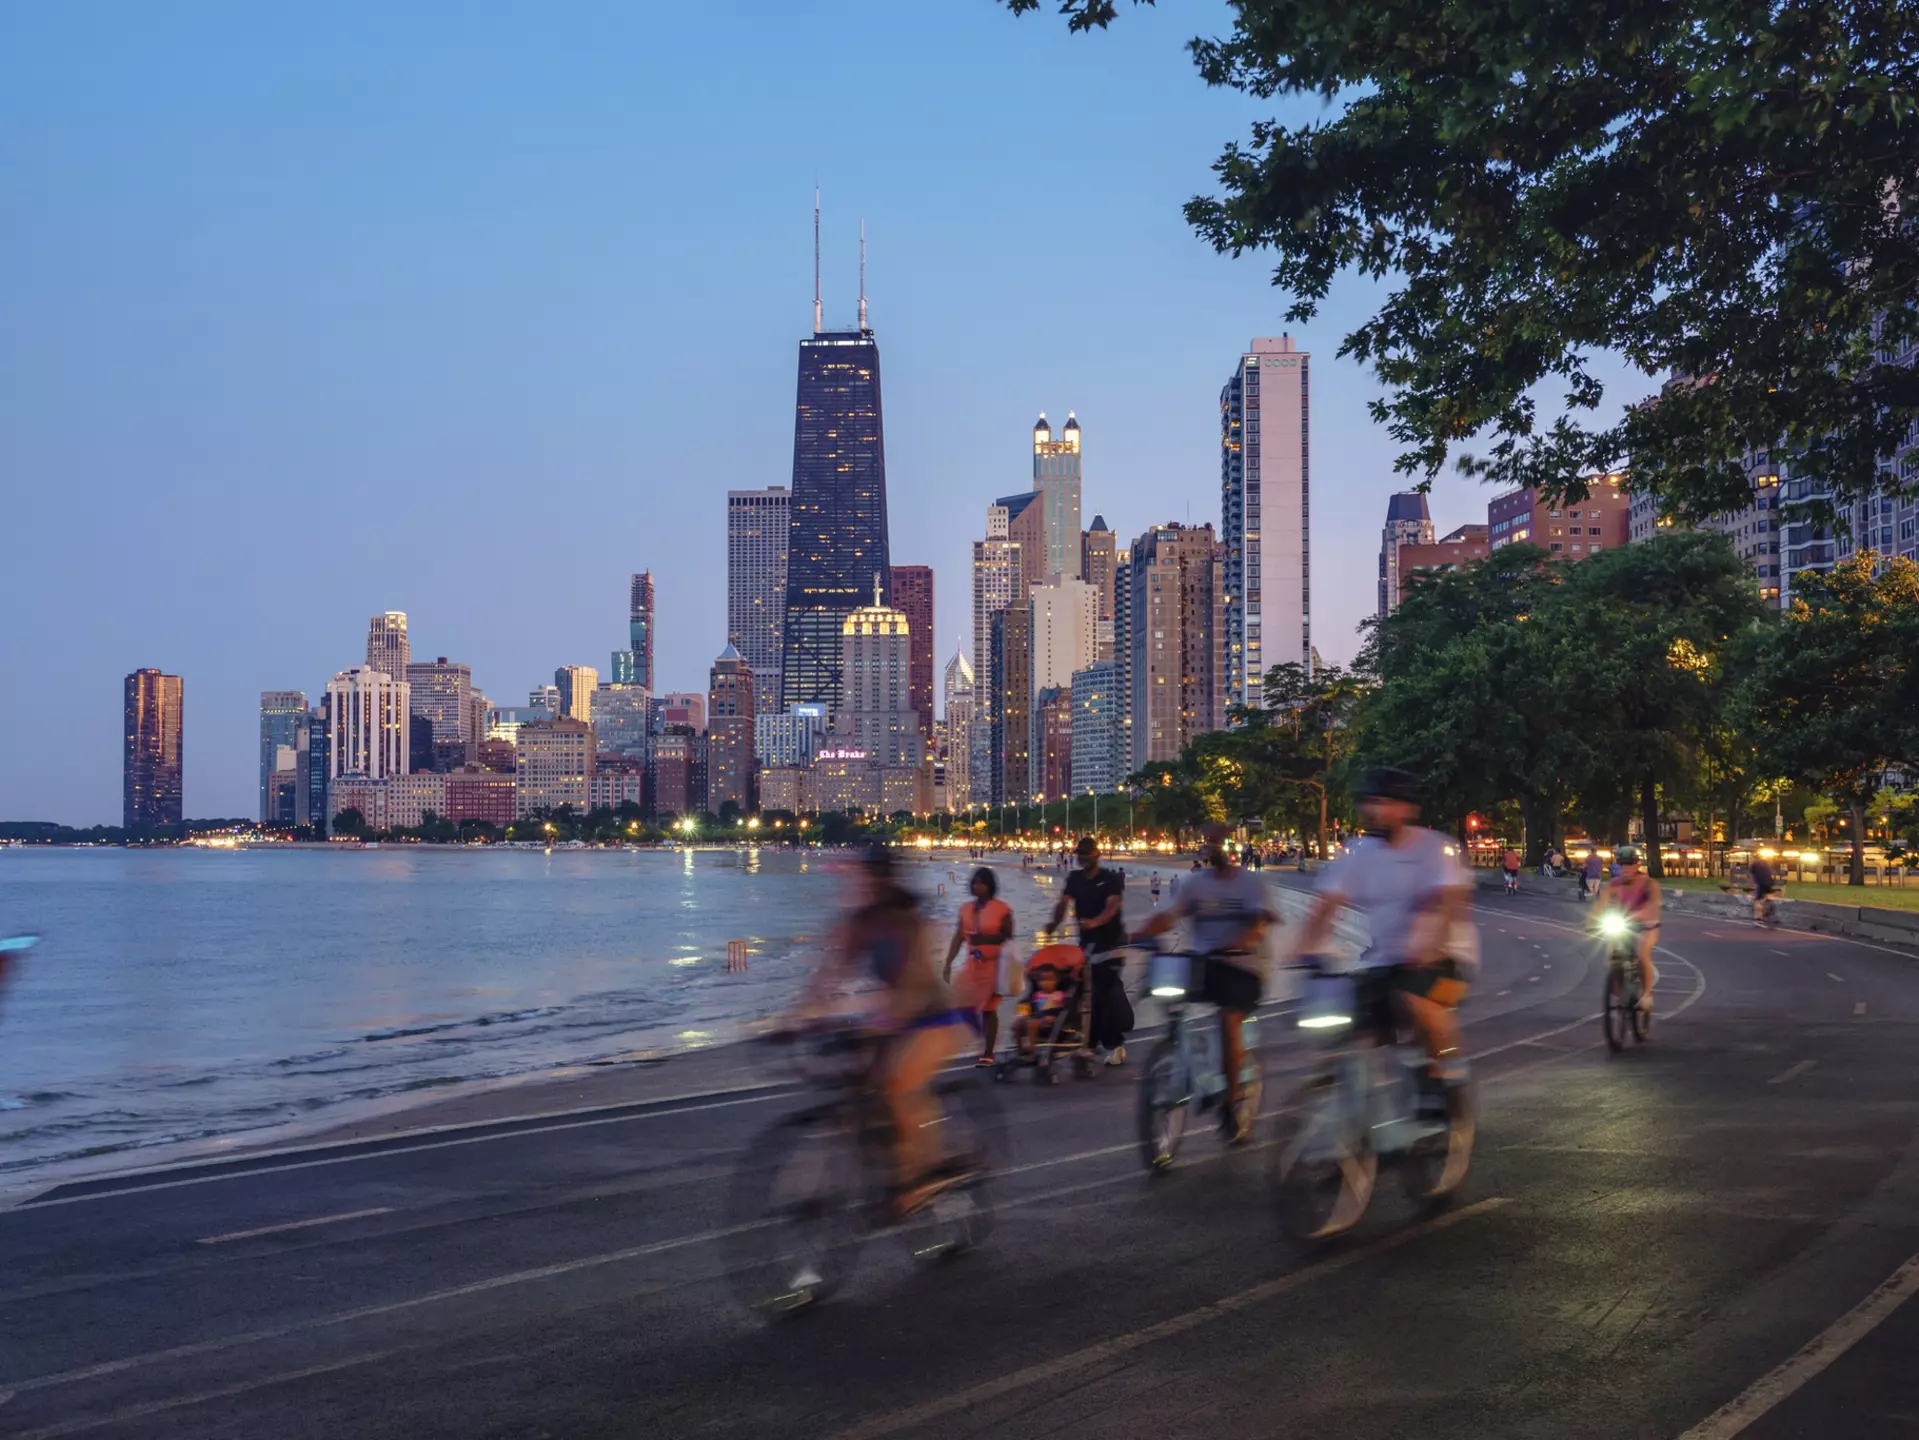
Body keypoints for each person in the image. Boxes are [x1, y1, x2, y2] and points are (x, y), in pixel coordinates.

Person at [788, 846, 972, 1220]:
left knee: (898, 1086)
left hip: (933, 1018)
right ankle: (895, 1162)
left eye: (870, 879)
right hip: (891, 1016)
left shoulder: (910, 923)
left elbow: (915, 984)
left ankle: (921, 1176)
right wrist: (796, 1020)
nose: (863, 886)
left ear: (885, 880)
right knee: (863, 1090)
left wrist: (880, 1022)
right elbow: (826, 978)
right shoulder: (859, 924)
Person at [1291, 768, 1477, 1094]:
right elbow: (1326, 904)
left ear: (1408, 808)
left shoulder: (1435, 849)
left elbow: (1448, 904)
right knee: (1347, 1025)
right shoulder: (1357, 852)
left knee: (1417, 1001)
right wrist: (1304, 945)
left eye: (1387, 802)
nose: (1377, 810)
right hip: (1384, 961)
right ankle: (1353, 1113)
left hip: (1446, 957)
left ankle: (1449, 1075)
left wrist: (1430, 947)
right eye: (1372, 802)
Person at [1132, 822, 1277, 1141]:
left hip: (1244, 967)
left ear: (1233, 847)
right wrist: (1135, 935)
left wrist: (1243, 939)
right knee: (1166, 997)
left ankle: (1230, 1102)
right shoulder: (1195, 884)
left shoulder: (1251, 884)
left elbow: (1260, 921)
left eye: (1218, 843)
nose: (1212, 848)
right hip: (1204, 964)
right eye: (1208, 842)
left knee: (1229, 1017)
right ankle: (1178, 1056)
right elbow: (1168, 916)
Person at [1048, 836, 1131, 1065]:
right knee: (1079, 995)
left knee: (1100, 997)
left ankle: (1115, 1045)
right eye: (1079, 853)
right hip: (1087, 948)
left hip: (1111, 947)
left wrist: (1096, 922)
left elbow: (1113, 905)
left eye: (1086, 853)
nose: (1082, 857)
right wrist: (1053, 924)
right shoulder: (1075, 878)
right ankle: (1088, 1043)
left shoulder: (1110, 879)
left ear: (1097, 854)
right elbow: (1063, 903)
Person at [943, 866, 1013, 1066]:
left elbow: (1008, 936)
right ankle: (980, 1040)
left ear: (990, 885)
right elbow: (958, 937)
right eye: (974, 882)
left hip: (995, 965)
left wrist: (986, 938)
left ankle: (988, 1051)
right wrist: (948, 962)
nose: (976, 886)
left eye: (981, 882)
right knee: (959, 1002)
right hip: (972, 965)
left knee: (989, 1010)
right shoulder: (966, 909)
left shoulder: (1002, 908)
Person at [1600, 844, 1661, 1013]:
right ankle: (1621, 994)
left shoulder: (1649, 883)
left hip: (1646, 925)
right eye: (1623, 863)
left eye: (1630, 863)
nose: (1626, 867)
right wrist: (1590, 922)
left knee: (1642, 955)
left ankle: (1646, 995)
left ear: (1638, 864)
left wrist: (1644, 916)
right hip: (1622, 923)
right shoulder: (1613, 884)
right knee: (1611, 957)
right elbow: (1600, 906)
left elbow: (1653, 905)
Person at [1014, 963, 1071, 1056]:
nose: (1046, 983)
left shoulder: (1060, 995)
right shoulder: (1036, 996)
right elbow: (1031, 1010)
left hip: (1053, 1022)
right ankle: (1020, 1050)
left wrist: (1055, 1017)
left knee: (1032, 1023)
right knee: (1018, 1022)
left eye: (1050, 980)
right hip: (1037, 1018)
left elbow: (1064, 1010)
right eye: (1042, 980)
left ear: (1057, 980)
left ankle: (1032, 1052)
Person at [1749, 852, 1779, 922]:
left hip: (1761, 884)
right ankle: (1770, 904)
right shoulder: (1765, 863)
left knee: (1758, 900)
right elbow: (1769, 873)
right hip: (1769, 883)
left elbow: (1751, 877)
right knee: (1768, 896)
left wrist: (1751, 887)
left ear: (1754, 858)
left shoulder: (1753, 865)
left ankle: (1758, 917)